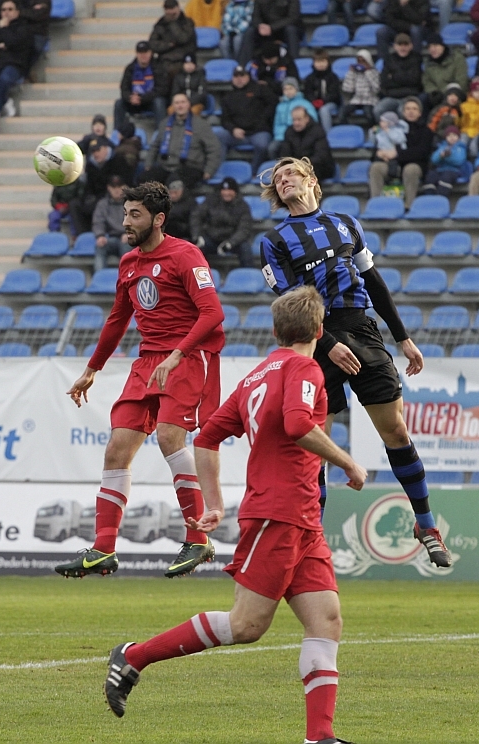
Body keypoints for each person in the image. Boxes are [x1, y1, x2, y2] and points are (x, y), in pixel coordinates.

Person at [102, 284, 368, 744]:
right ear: (319, 330)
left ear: (275, 331)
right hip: (278, 512)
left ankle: (319, 737)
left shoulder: (256, 375)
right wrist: (347, 462)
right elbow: (298, 424)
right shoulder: (305, 368)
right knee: (246, 625)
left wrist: (215, 503)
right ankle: (134, 656)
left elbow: (206, 436)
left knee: (326, 620)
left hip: (301, 518)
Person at [260, 156, 452, 568]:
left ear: (311, 180)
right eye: (278, 179)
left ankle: (426, 525)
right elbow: (290, 303)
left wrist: (402, 337)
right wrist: (326, 343)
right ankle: (311, 543)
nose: (284, 180)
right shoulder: (274, 240)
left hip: (361, 330)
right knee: (316, 446)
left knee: (395, 430)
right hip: (313, 342)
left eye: (290, 173)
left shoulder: (346, 223)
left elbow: (374, 282)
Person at [55, 181, 225, 580]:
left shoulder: (186, 255)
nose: (126, 222)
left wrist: (178, 354)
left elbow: (212, 313)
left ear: (158, 219)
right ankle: (103, 549)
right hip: (148, 361)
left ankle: (198, 538)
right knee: (117, 449)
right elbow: (118, 319)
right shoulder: (129, 262)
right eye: (125, 213)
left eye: (135, 215)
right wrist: (92, 369)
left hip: (188, 356)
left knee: (168, 437)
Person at [143, 92, 221, 189]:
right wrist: (148, 165)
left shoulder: (201, 125)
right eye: (177, 103)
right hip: (166, 167)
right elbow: (155, 146)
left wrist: (209, 170)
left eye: (183, 102)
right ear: (173, 106)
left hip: (191, 167)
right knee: (144, 179)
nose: (180, 106)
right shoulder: (165, 123)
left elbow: (213, 148)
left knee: (174, 182)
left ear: (188, 104)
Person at [369, 96, 433, 208]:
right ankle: (376, 205)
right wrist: (379, 154)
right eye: (408, 109)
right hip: (391, 164)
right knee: (376, 167)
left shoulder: (425, 131)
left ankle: (408, 206)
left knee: (411, 169)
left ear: (420, 113)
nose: (411, 111)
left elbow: (422, 152)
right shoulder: (392, 128)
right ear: (403, 112)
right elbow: (380, 145)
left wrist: (397, 154)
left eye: (414, 109)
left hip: (414, 165)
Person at [217, 66, 278, 174]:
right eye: (236, 76)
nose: (239, 79)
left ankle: (254, 172)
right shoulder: (227, 97)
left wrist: (262, 121)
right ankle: (219, 171)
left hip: (258, 131)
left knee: (262, 144)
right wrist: (233, 129)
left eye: (242, 75)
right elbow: (224, 119)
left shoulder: (260, 89)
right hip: (238, 134)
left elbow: (273, 104)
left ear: (248, 77)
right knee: (219, 136)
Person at [69, 136, 135, 235]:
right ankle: (83, 236)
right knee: (75, 204)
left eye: (98, 150)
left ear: (105, 148)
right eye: (93, 151)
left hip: (115, 197)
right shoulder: (91, 165)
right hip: (97, 197)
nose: (95, 154)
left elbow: (127, 183)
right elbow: (89, 187)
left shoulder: (119, 160)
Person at [190, 176, 253, 266]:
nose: (226, 193)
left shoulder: (243, 206)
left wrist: (230, 243)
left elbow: (244, 229)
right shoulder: (211, 201)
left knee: (245, 248)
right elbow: (196, 216)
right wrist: (197, 236)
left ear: (235, 192)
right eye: (224, 190)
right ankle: (201, 273)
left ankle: (248, 273)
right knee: (197, 248)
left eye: (230, 190)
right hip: (212, 239)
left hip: (233, 240)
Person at [113, 40, 169, 131]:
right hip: (134, 102)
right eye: (140, 52)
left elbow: (162, 89)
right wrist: (130, 98)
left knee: (159, 102)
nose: (143, 55)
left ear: (150, 53)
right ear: (137, 54)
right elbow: (124, 88)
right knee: (119, 104)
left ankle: (161, 133)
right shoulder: (130, 68)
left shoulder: (158, 67)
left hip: (150, 101)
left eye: (146, 52)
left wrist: (142, 98)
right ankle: (117, 134)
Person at [374, 33, 423, 121]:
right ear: (395, 46)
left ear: (411, 46)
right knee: (378, 110)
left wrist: (394, 77)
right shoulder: (389, 59)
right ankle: (385, 129)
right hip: (391, 97)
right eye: (400, 44)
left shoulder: (416, 59)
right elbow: (384, 81)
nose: (403, 48)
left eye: (405, 45)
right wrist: (405, 77)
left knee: (402, 112)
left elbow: (415, 80)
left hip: (409, 97)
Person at [280, 106, 336, 181]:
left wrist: (302, 165)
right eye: (294, 120)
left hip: (317, 168)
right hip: (296, 168)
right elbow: (285, 154)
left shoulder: (318, 131)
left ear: (307, 119)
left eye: (299, 119)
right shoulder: (289, 132)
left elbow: (321, 156)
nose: (296, 123)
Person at [238, 0, 302, 65]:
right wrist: (260, 26)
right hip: (265, 29)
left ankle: (295, 64)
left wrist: (272, 27)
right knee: (250, 32)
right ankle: (243, 66)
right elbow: (255, 16)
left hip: (283, 29)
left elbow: (293, 18)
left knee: (291, 30)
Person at [270, 77, 319, 159]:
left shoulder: (305, 104)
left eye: (290, 88)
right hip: (281, 137)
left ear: (296, 89)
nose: (288, 91)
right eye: (285, 89)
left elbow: (313, 120)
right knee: (272, 149)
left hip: (299, 135)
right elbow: (277, 124)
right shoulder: (280, 106)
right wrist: (279, 135)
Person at [91, 175, 131, 272]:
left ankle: (126, 277)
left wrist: (130, 233)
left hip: (130, 239)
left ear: (125, 187)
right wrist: (100, 236)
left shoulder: (132, 203)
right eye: (113, 187)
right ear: (109, 188)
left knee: (127, 245)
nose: (117, 190)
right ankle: (99, 277)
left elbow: (139, 222)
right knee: (100, 246)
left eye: (119, 186)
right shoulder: (103, 204)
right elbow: (98, 222)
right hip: (112, 238)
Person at [148, 0, 197, 79]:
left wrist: (172, 24)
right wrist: (169, 45)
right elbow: (152, 44)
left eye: (173, 14)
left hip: (183, 59)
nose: (171, 16)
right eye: (168, 14)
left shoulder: (187, 23)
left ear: (178, 8)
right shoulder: (160, 24)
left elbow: (183, 39)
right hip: (164, 60)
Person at [422, 33, 468, 109]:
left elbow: (461, 80)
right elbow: (427, 81)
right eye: (429, 47)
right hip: (437, 95)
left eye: (435, 45)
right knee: (423, 99)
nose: (432, 49)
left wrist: (446, 93)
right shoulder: (429, 63)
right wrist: (434, 92)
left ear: (442, 46)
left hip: (455, 93)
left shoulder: (457, 58)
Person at [303, 48, 342, 134]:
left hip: (331, 103)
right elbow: (308, 93)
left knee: (324, 110)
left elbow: (334, 94)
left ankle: (327, 134)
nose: (320, 64)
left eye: (323, 61)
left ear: (328, 62)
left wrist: (323, 101)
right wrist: (313, 101)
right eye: (318, 62)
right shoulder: (309, 78)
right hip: (313, 103)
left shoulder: (333, 77)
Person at [421, 124, 468, 196]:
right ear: (445, 137)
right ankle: (429, 197)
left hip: (454, 171)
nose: (452, 138)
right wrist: (440, 156)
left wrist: (448, 156)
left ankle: (440, 198)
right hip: (440, 170)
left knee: (446, 177)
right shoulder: (441, 147)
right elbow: (433, 159)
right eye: (449, 136)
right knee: (430, 176)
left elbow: (459, 161)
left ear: (458, 137)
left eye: (454, 135)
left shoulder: (460, 148)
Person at [340, 49, 380, 127]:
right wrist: (351, 73)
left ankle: (373, 129)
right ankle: (346, 130)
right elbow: (347, 89)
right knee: (342, 112)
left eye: (363, 61)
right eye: (359, 61)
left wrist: (367, 72)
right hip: (356, 99)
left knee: (369, 114)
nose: (361, 63)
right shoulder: (355, 73)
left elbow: (377, 89)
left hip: (370, 100)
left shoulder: (374, 72)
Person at [368, 110, 408, 181]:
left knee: (393, 166)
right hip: (382, 152)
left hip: (394, 153)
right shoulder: (380, 131)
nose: (380, 123)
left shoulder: (398, 130)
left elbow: (398, 140)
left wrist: (388, 131)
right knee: (374, 165)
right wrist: (372, 132)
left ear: (390, 123)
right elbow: (374, 141)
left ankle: (393, 177)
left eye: (383, 121)